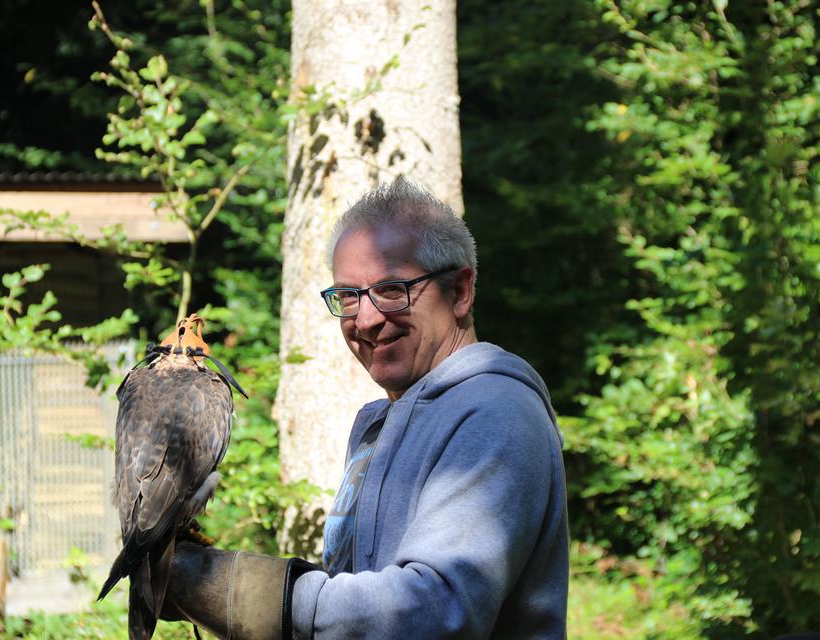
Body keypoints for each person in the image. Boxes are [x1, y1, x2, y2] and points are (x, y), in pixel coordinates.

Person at [163, 177, 569, 639]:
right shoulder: (377, 425)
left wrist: (247, 592)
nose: (367, 319)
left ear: (460, 291)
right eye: (348, 296)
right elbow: (367, 598)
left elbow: (434, 613)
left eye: (392, 289)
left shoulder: (495, 412)